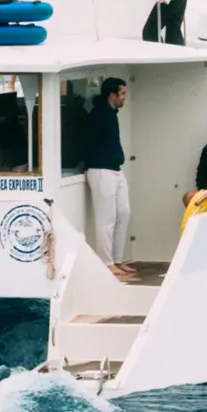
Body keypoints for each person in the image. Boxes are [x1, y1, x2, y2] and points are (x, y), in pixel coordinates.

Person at [83, 77, 134, 278]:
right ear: (112, 95)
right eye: (122, 94)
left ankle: (117, 259)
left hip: (115, 168)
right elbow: (88, 142)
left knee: (124, 212)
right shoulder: (98, 115)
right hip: (100, 169)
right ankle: (106, 262)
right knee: (106, 218)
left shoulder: (112, 114)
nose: (124, 98)